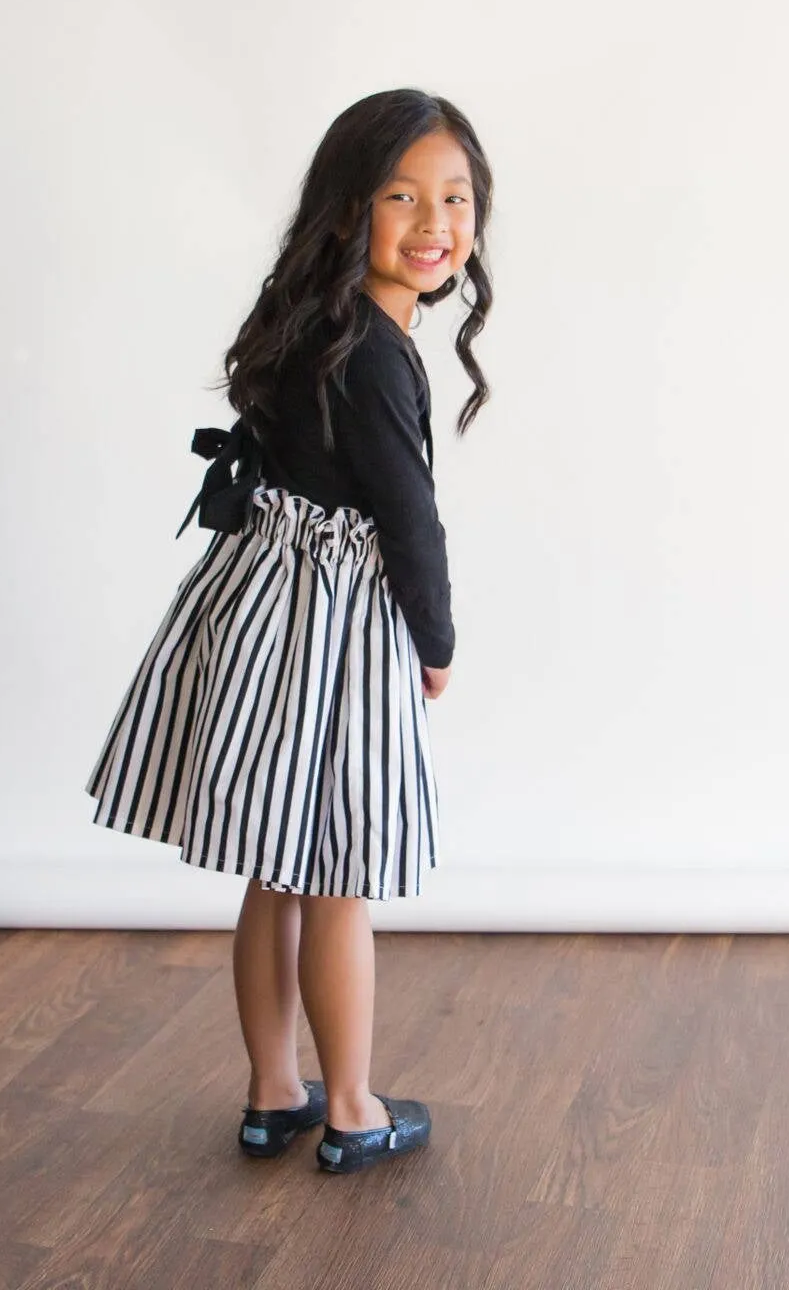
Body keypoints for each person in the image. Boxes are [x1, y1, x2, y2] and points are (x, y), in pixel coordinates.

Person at [84, 88, 494, 1175]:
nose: (432, 223)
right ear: (348, 210)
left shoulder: (318, 324)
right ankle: (353, 1105)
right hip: (334, 626)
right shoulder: (375, 351)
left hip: (260, 605)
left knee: (271, 869)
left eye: (453, 197)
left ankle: (274, 1094)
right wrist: (438, 639)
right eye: (401, 197)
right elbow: (409, 515)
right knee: (337, 876)